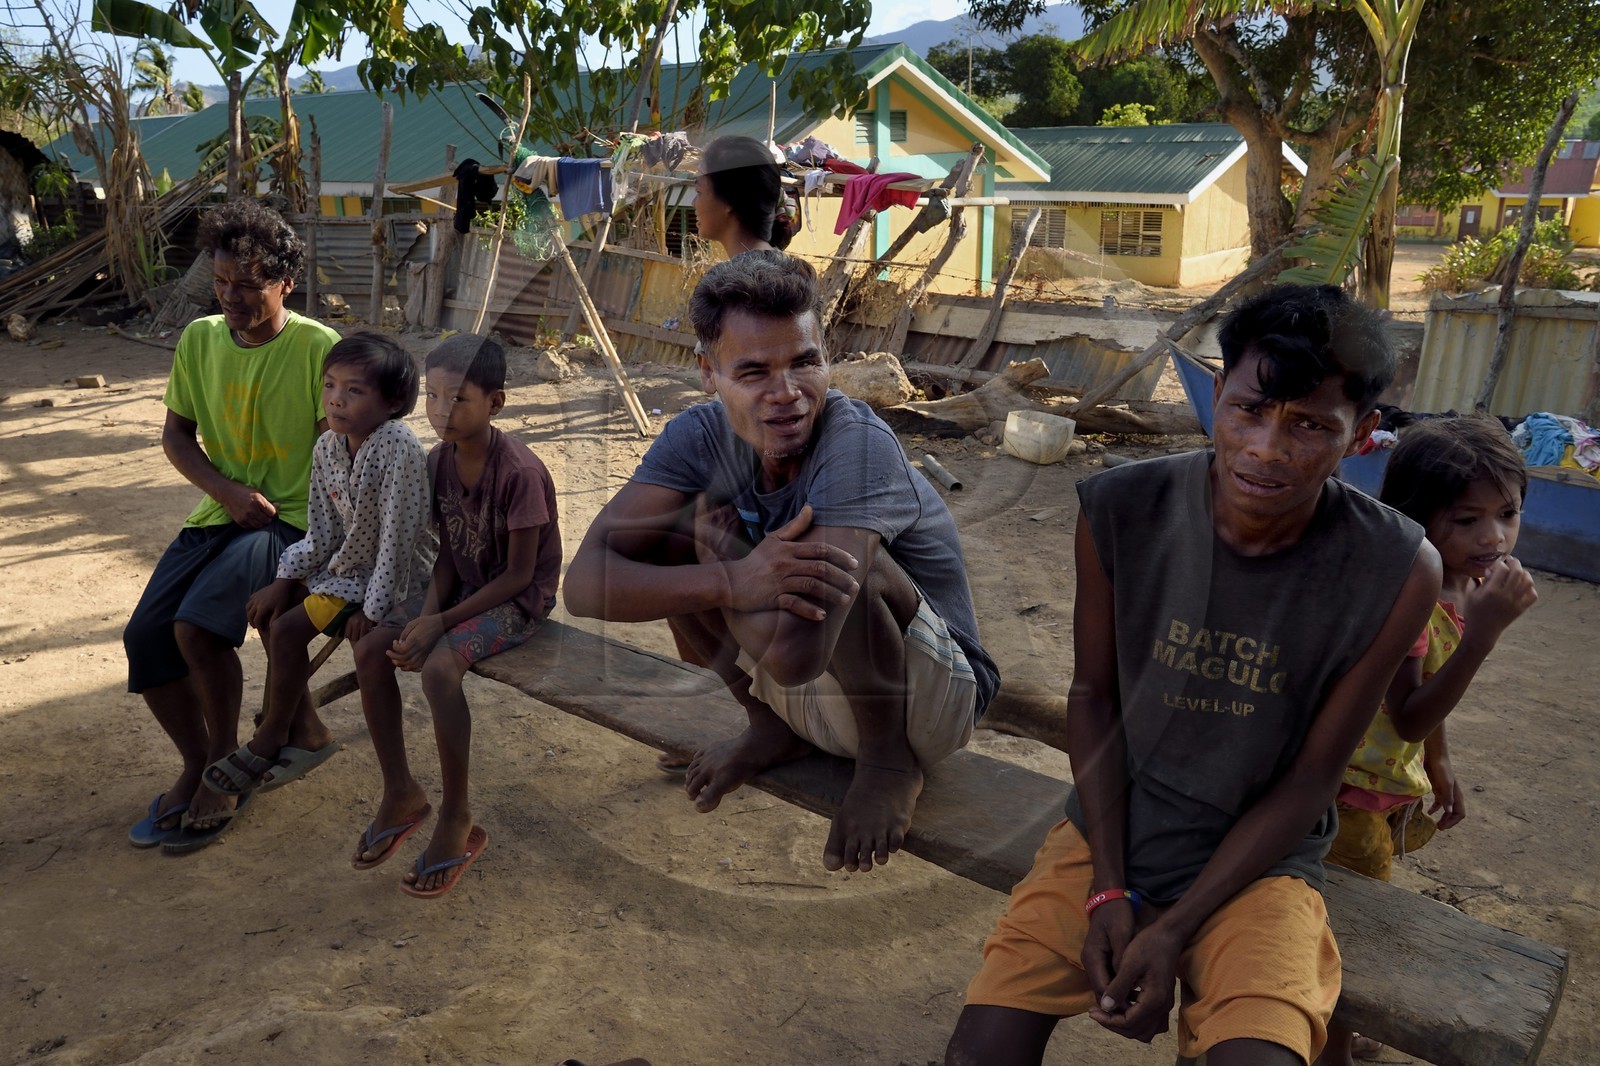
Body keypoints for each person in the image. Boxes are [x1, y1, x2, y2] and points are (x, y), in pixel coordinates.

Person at [944, 284, 1443, 1066]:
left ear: (1363, 434)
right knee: (981, 1053)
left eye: (1310, 425)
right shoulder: (1122, 507)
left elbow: (1315, 776)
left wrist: (1174, 928)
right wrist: (1109, 889)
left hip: (1262, 862)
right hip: (1113, 828)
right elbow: (1093, 697)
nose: (1267, 448)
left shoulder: (1398, 568)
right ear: (1216, 396)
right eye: (1249, 410)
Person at [564, 250, 999, 872]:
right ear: (707, 373)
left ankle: (885, 766)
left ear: (828, 357)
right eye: (754, 372)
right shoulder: (697, 437)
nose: (787, 394)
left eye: (805, 362)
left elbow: (798, 657)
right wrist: (728, 575)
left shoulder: (858, 446)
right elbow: (584, 587)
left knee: (848, 563)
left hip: (923, 706)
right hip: (801, 685)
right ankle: (767, 726)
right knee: (672, 543)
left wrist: (728, 572)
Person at [124, 198, 342, 854]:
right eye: (221, 283)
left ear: (285, 283)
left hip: (294, 524)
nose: (231, 298)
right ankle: (196, 762)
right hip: (221, 512)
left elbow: (341, 457)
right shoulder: (198, 340)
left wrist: (322, 555)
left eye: (248, 285)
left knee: (197, 628)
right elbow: (177, 434)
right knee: (146, 639)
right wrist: (225, 490)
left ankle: (225, 768)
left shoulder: (318, 349)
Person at [1319, 415, 1537, 1066]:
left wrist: (1440, 762)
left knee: (1341, 921)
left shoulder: (1462, 582)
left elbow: (1424, 714)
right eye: (1467, 520)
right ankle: (1330, 1029)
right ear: (1418, 519)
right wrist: (1484, 635)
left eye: (1508, 512)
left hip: (1375, 783)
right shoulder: (1408, 593)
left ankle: (1336, 1013)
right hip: (1341, 797)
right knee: (1343, 929)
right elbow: (1410, 713)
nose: (1494, 536)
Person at [354, 335, 562, 898]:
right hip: (466, 583)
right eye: (434, 397)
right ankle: (400, 791)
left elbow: (519, 577)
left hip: (519, 602)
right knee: (373, 647)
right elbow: (448, 553)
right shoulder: (438, 461)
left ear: (496, 403)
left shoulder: (517, 471)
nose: (443, 412)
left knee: (440, 670)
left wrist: (440, 626)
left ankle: (456, 814)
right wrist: (425, 613)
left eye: (459, 399)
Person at [206, 334, 434, 805]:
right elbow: (323, 529)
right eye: (330, 385)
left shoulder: (398, 446)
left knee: (288, 630)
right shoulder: (329, 446)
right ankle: (302, 730)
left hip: (399, 579)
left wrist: (373, 611)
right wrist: (284, 578)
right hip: (349, 570)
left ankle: (271, 736)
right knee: (275, 611)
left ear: (393, 402)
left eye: (355, 390)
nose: (336, 398)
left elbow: (399, 537)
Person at [694, 135, 797, 258]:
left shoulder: (725, 277)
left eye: (699, 192)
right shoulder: (800, 273)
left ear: (729, 200)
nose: (693, 203)